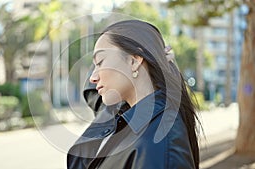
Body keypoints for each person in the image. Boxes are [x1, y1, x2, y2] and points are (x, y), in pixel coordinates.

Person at [67, 20, 200, 169]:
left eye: (100, 62)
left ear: (133, 61)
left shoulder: (160, 143)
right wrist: (157, 58)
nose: (92, 78)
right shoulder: (120, 113)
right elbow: (94, 93)